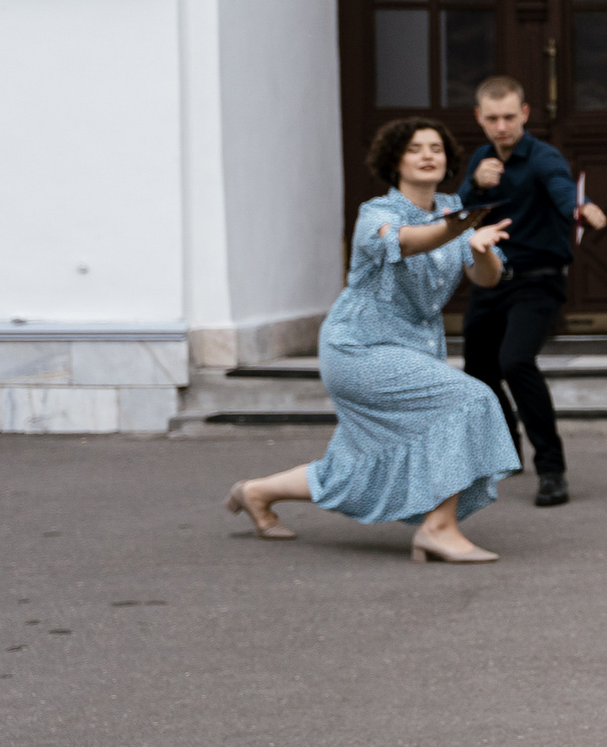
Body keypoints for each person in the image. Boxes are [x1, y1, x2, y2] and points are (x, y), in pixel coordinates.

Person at [222, 119, 521, 562]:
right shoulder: (377, 213)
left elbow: (487, 276)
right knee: (471, 400)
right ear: (395, 159)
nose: (427, 155)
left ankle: (256, 493)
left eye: (435, 148)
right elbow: (408, 241)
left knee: (355, 465)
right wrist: (458, 231)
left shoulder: (456, 211)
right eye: (414, 148)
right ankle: (438, 529)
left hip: (414, 350)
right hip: (359, 348)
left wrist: (478, 250)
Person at [457, 76, 605, 508]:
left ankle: (552, 469)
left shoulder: (543, 158)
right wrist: (474, 186)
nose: (501, 126)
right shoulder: (482, 161)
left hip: (538, 279)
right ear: (479, 119)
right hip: (491, 279)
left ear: (523, 114)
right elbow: (458, 214)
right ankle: (507, 450)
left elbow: (562, 189)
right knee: (479, 369)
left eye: (509, 117)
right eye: (492, 118)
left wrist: (580, 207)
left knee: (516, 360)